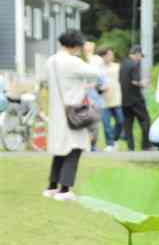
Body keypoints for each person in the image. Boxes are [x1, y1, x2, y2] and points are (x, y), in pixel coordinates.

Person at [43, 29, 101, 201]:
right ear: (76, 46)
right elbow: (95, 73)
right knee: (74, 149)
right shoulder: (72, 61)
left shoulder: (51, 61)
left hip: (57, 111)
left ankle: (52, 187)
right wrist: (90, 55)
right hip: (73, 111)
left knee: (60, 150)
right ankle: (65, 190)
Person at [119, 46, 151, 151]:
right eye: (140, 56)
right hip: (136, 99)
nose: (141, 58)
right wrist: (144, 84)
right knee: (145, 120)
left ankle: (130, 147)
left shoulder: (123, 64)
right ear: (137, 54)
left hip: (124, 100)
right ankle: (145, 146)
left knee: (128, 124)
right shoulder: (134, 64)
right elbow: (135, 81)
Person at [97, 47, 124, 152]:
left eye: (111, 55)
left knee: (120, 121)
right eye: (108, 55)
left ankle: (115, 139)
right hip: (104, 101)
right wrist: (100, 88)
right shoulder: (98, 68)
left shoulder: (117, 67)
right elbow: (95, 84)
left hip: (117, 99)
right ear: (103, 56)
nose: (111, 57)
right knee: (106, 123)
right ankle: (110, 144)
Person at [83, 41, 107, 152]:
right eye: (86, 47)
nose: (88, 49)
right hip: (80, 100)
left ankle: (92, 146)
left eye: (90, 47)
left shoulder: (97, 60)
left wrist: (98, 86)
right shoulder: (78, 61)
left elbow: (103, 83)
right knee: (83, 124)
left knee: (94, 125)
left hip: (95, 99)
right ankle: (85, 145)